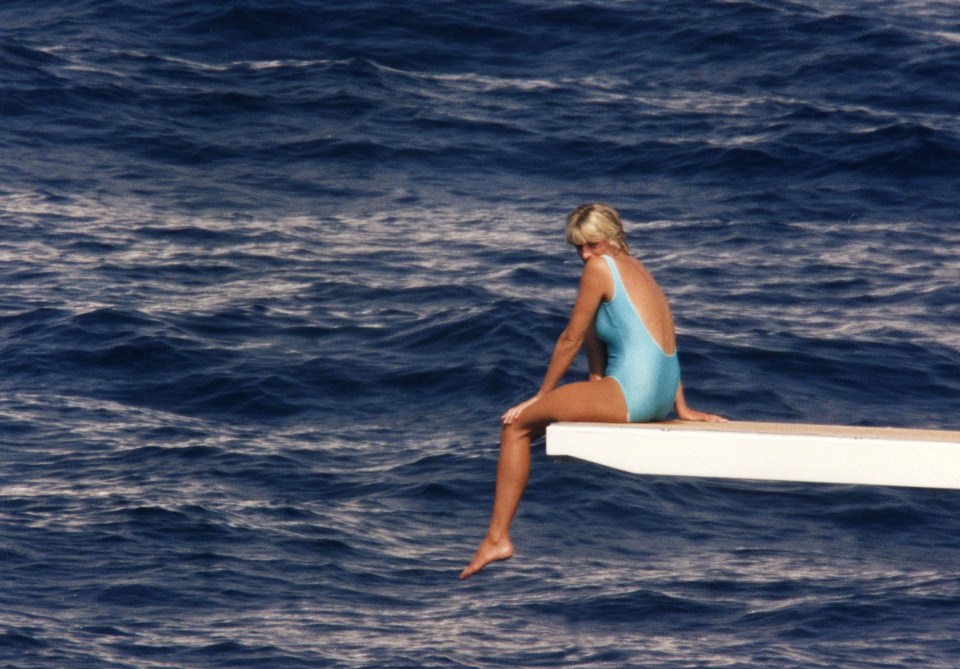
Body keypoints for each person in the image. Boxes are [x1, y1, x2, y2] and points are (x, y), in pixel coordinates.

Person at [460, 203, 726, 580]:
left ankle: (497, 538)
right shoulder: (639, 271)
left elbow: (568, 339)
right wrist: (681, 406)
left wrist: (542, 396)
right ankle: (497, 536)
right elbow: (660, 340)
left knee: (516, 427)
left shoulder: (600, 269)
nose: (585, 255)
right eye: (578, 248)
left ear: (612, 237)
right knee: (592, 335)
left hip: (634, 393)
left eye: (592, 244)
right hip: (660, 392)